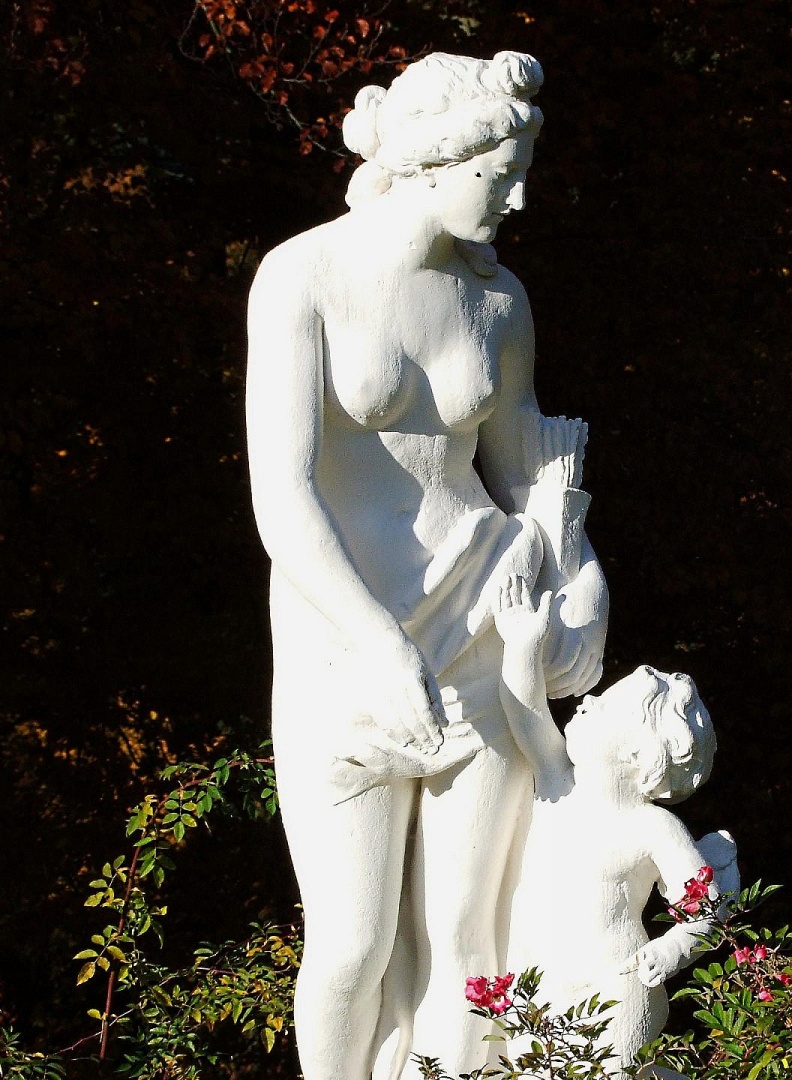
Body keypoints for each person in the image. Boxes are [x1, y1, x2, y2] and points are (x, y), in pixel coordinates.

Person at [244, 50, 607, 1080]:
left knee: (469, 939)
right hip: (342, 640)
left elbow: (532, 471)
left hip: (481, 617)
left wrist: (578, 582)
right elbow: (285, 495)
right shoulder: (302, 277)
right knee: (352, 946)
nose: (522, 196)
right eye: (505, 174)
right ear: (438, 160)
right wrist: (375, 645)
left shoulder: (500, 304)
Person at [487, 606, 737, 1079]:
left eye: (602, 706)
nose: (585, 703)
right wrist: (523, 645)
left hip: (617, 985)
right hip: (536, 986)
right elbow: (526, 713)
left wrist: (673, 949)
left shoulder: (651, 826)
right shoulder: (557, 780)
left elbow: (707, 908)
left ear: (637, 752)